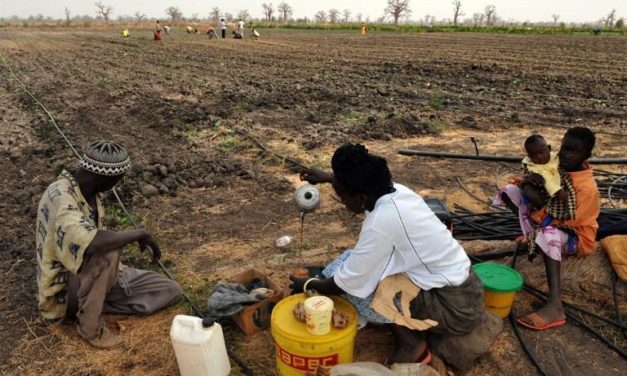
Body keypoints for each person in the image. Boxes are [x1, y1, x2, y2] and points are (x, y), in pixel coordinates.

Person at [291, 143, 486, 365]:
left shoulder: (381, 223)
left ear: (361, 196)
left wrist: (308, 284)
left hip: (452, 308)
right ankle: (404, 329)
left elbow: (347, 283)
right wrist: (329, 178)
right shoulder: (396, 191)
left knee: (355, 284)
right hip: (465, 289)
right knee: (349, 259)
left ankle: (412, 344)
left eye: (343, 196)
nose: (343, 203)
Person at [35, 140, 181, 349]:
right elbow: (94, 243)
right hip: (64, 292)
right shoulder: (62, 198)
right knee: (108, 251)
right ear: (106, 178)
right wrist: (138, 233)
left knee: (169, 290)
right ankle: (90, 327)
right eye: (118, 180)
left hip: (88, 275)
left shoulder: (88, 191)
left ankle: (95, 299)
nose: (117, 185)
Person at [495, 127, 600, 330]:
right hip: (548, 218)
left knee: (549, 233)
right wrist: (528, 182)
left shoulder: (586, 188)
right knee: (510, 191)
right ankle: (532, 237)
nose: (566, 155)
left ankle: (555, 305)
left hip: (576, 235)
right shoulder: (557, 165)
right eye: (564, 149)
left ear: (586, 156)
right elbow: (537, 185)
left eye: (574, 151)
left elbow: (570, 220)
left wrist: (539, 212)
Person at [522, 134, 569, 204]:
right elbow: (547, 178)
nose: (539, 157)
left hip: (564, 188)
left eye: (542, 152)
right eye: (534, 155)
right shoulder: (533, 166)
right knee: (527, 190)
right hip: (544, 193)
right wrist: (558, 191)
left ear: (549, 148)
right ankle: (539, 207)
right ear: (529, 156)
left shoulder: (556, 158)